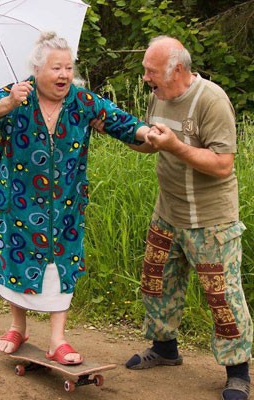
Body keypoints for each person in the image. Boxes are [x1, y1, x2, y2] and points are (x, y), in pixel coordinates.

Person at [0, 32, 151, 365]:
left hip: (65, 203)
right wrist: (5, 105)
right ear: (37, 70)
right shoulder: (14, 95)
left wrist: (147, 133)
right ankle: (17, 327)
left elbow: (121, 122)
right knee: (16, 259)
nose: (64, 74)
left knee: (60, 263)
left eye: (68, 67)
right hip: (16, 202)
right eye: (56, 68)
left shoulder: (82, 101)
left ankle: (57, 340)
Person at [121, 36, 252, 400]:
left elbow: (224, 165)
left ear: (176, 69)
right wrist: (117, 129)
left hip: (211, 220)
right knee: (156, 282)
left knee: (222, 295)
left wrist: (176, 145)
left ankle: (238, 372)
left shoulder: (211, 100)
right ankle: (165, 349)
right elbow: (149, 143)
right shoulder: (157, 97)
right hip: (168, 211)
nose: (146, 77)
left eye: (151, 71)